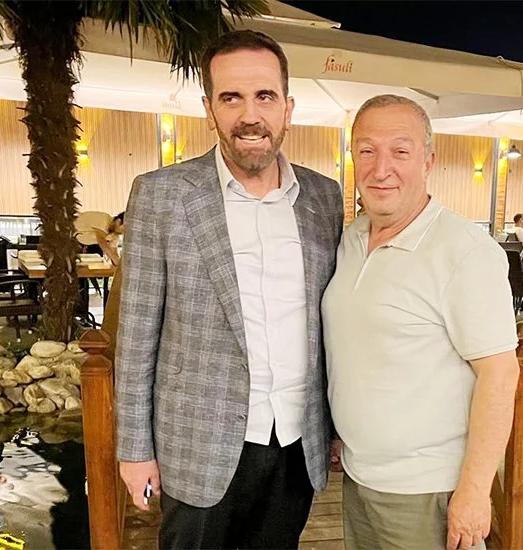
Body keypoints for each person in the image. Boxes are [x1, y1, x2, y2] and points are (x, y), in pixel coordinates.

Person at [115, 30, 343, 550]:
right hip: (198, 445)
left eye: (264, 96)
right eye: (231, 97)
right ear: (209, 109)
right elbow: (136, 336)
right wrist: (134, 449)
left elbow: (327, 327)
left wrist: (333, 428)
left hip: (295, 443)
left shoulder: (323, 198)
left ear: (287, 108)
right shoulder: (161, 195)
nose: (249, 115)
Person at [322, 95, 519, 550]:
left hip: (428, 490)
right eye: (367, 151)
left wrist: (474, 492)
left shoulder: (465, 251)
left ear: (428, 161)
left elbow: (500, 374)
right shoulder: (351, 239)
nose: (381, 168)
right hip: (358, 477)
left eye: (400, 151)